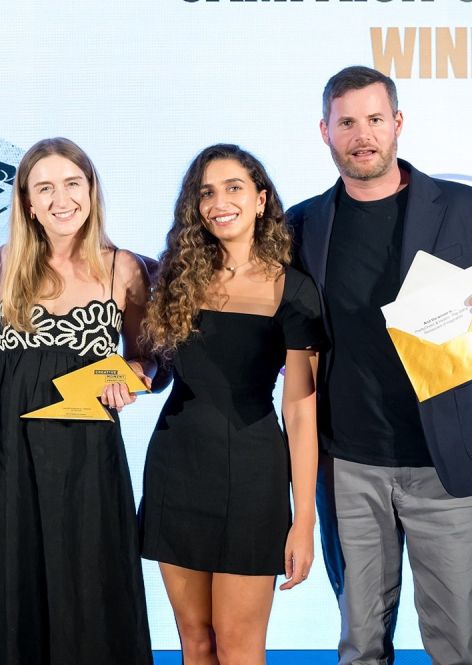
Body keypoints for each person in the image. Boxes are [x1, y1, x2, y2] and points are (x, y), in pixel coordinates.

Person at [287, 65, 472, 665]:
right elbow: (297, 344)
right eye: (347, 123)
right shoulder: (303, 223)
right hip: (349, 467)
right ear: (324, 131)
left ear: (398, 123)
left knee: (456, 647)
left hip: (444, 464)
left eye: (375, 119)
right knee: (360, 647)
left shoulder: (463, 207)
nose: (362, 135)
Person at [0, 137, 153, 665]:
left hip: (86, 450)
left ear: (91, 190)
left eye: (72, 183)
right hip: (8, 447)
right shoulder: (6, 262)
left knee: (89, 573)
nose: (60, 198)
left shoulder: (124, 267)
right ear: (27, 201)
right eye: (44, 187)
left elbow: (148, 358)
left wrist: (132, 377)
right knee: (6, 572)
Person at [139, 144, 322, 665]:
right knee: (196, 641)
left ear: (261, 200)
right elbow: (153, 369)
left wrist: (304, 519)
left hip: (253, 477)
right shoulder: (174, 280)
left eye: (234, 188)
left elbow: (301, 411)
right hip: (176, 468)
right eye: (206, 193)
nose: (219, 202)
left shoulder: (295, 290)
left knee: (239, 647)